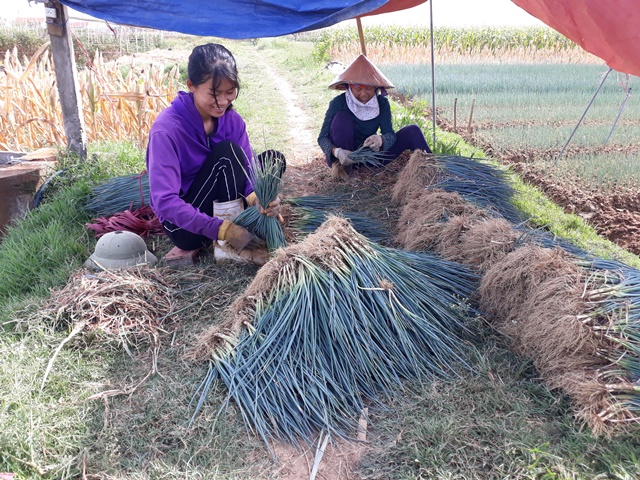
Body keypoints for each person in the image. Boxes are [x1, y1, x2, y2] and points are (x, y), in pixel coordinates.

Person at [146, 43, 284, 262]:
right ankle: (229, 242)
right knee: (226, 155)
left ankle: (244, 225)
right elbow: (165, 201)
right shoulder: (167, 130)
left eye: (229, 92)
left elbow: (248, 167)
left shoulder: (232, 121)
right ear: (191, 85)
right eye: (214, 93)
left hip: (220, 200)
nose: (222, 102)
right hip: (186, 228)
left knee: (272, 161)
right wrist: (223, 230)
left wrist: (258, 196)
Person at [317, 54, 432, 179]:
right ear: (349, 87)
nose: (364, 94)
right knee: (342, 118)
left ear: (376, 88)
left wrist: (380, 140)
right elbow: (322, 138)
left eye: (368, 89)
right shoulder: (338, 103)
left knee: (412, 130)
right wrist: (337, 152)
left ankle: (433, 170)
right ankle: (347, 173)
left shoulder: (381, 103)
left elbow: (390, 135)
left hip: (370, 157)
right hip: (344, 159)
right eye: (358, 89)